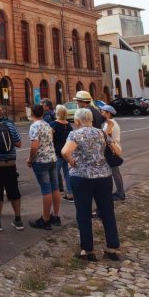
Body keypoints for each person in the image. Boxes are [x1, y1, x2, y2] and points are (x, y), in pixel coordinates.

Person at [61, 108, 123, 262]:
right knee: (107, 211)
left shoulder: (75, 134)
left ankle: (88, 250)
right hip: (104, 177)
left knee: (83, 212)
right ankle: (112, 247)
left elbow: (65, 151)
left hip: (82, 177)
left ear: (77, 121)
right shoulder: (100, 133)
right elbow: (117, 150)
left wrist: (73, 163)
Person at [27, 104, 61, 229]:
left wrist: (30, 160)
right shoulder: (48, 125)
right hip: (52, 158)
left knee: (46, 190)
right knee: (55, 188)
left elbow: (35, 146)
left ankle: (45, 219)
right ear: (42, 113)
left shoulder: (34, 126)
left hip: (41, 161)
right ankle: (56, 216)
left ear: (32, 113)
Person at [100, 104, 125, 201]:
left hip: (112, 150)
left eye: (103, 112)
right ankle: (120, 191)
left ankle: (120, 193)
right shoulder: (109, 122)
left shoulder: (111, 123)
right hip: (112, 149)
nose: (101, 114)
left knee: (115, 172)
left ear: (108, 113)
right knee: (114, 172)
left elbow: (106, 136)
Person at [50, 104, 74, 201]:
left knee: (54, 174)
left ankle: (55, 193)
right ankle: (70, 193)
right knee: (67, 173)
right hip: (66, 152)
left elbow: (50, 140)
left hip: (57, 152)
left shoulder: (53, 124)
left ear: (57, 113)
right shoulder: (68, 125)